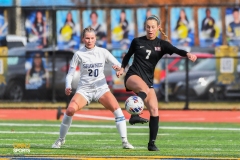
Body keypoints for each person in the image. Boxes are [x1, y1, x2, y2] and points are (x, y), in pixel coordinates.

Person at [116, 15, 197, 151]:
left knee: (154, 109)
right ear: (145, 28)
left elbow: (177, 50)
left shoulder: (162, 44)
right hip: (132, 76)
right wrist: (122, 68)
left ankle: (151, 144)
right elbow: (128, 56)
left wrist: (188, 54)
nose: (150, 29)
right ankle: (134, 115)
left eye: (153, 27)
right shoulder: (137, 41)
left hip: (148, 81)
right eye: (148, 27)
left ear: (158, 28)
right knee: (144, 90)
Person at [52, 27, 134, 149]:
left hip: (101, 88)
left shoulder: (103, 52)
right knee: (70, 110)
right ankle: (60, 139)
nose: (90, 40)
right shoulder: (78, 54)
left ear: (95, 38)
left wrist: (118, 69)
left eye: (92, 38)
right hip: (84, 90)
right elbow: (70, 74)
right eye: (87, 38)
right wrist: (68, 86)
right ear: (83, 39)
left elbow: (117, 64)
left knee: (117, 109)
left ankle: (125, 142)